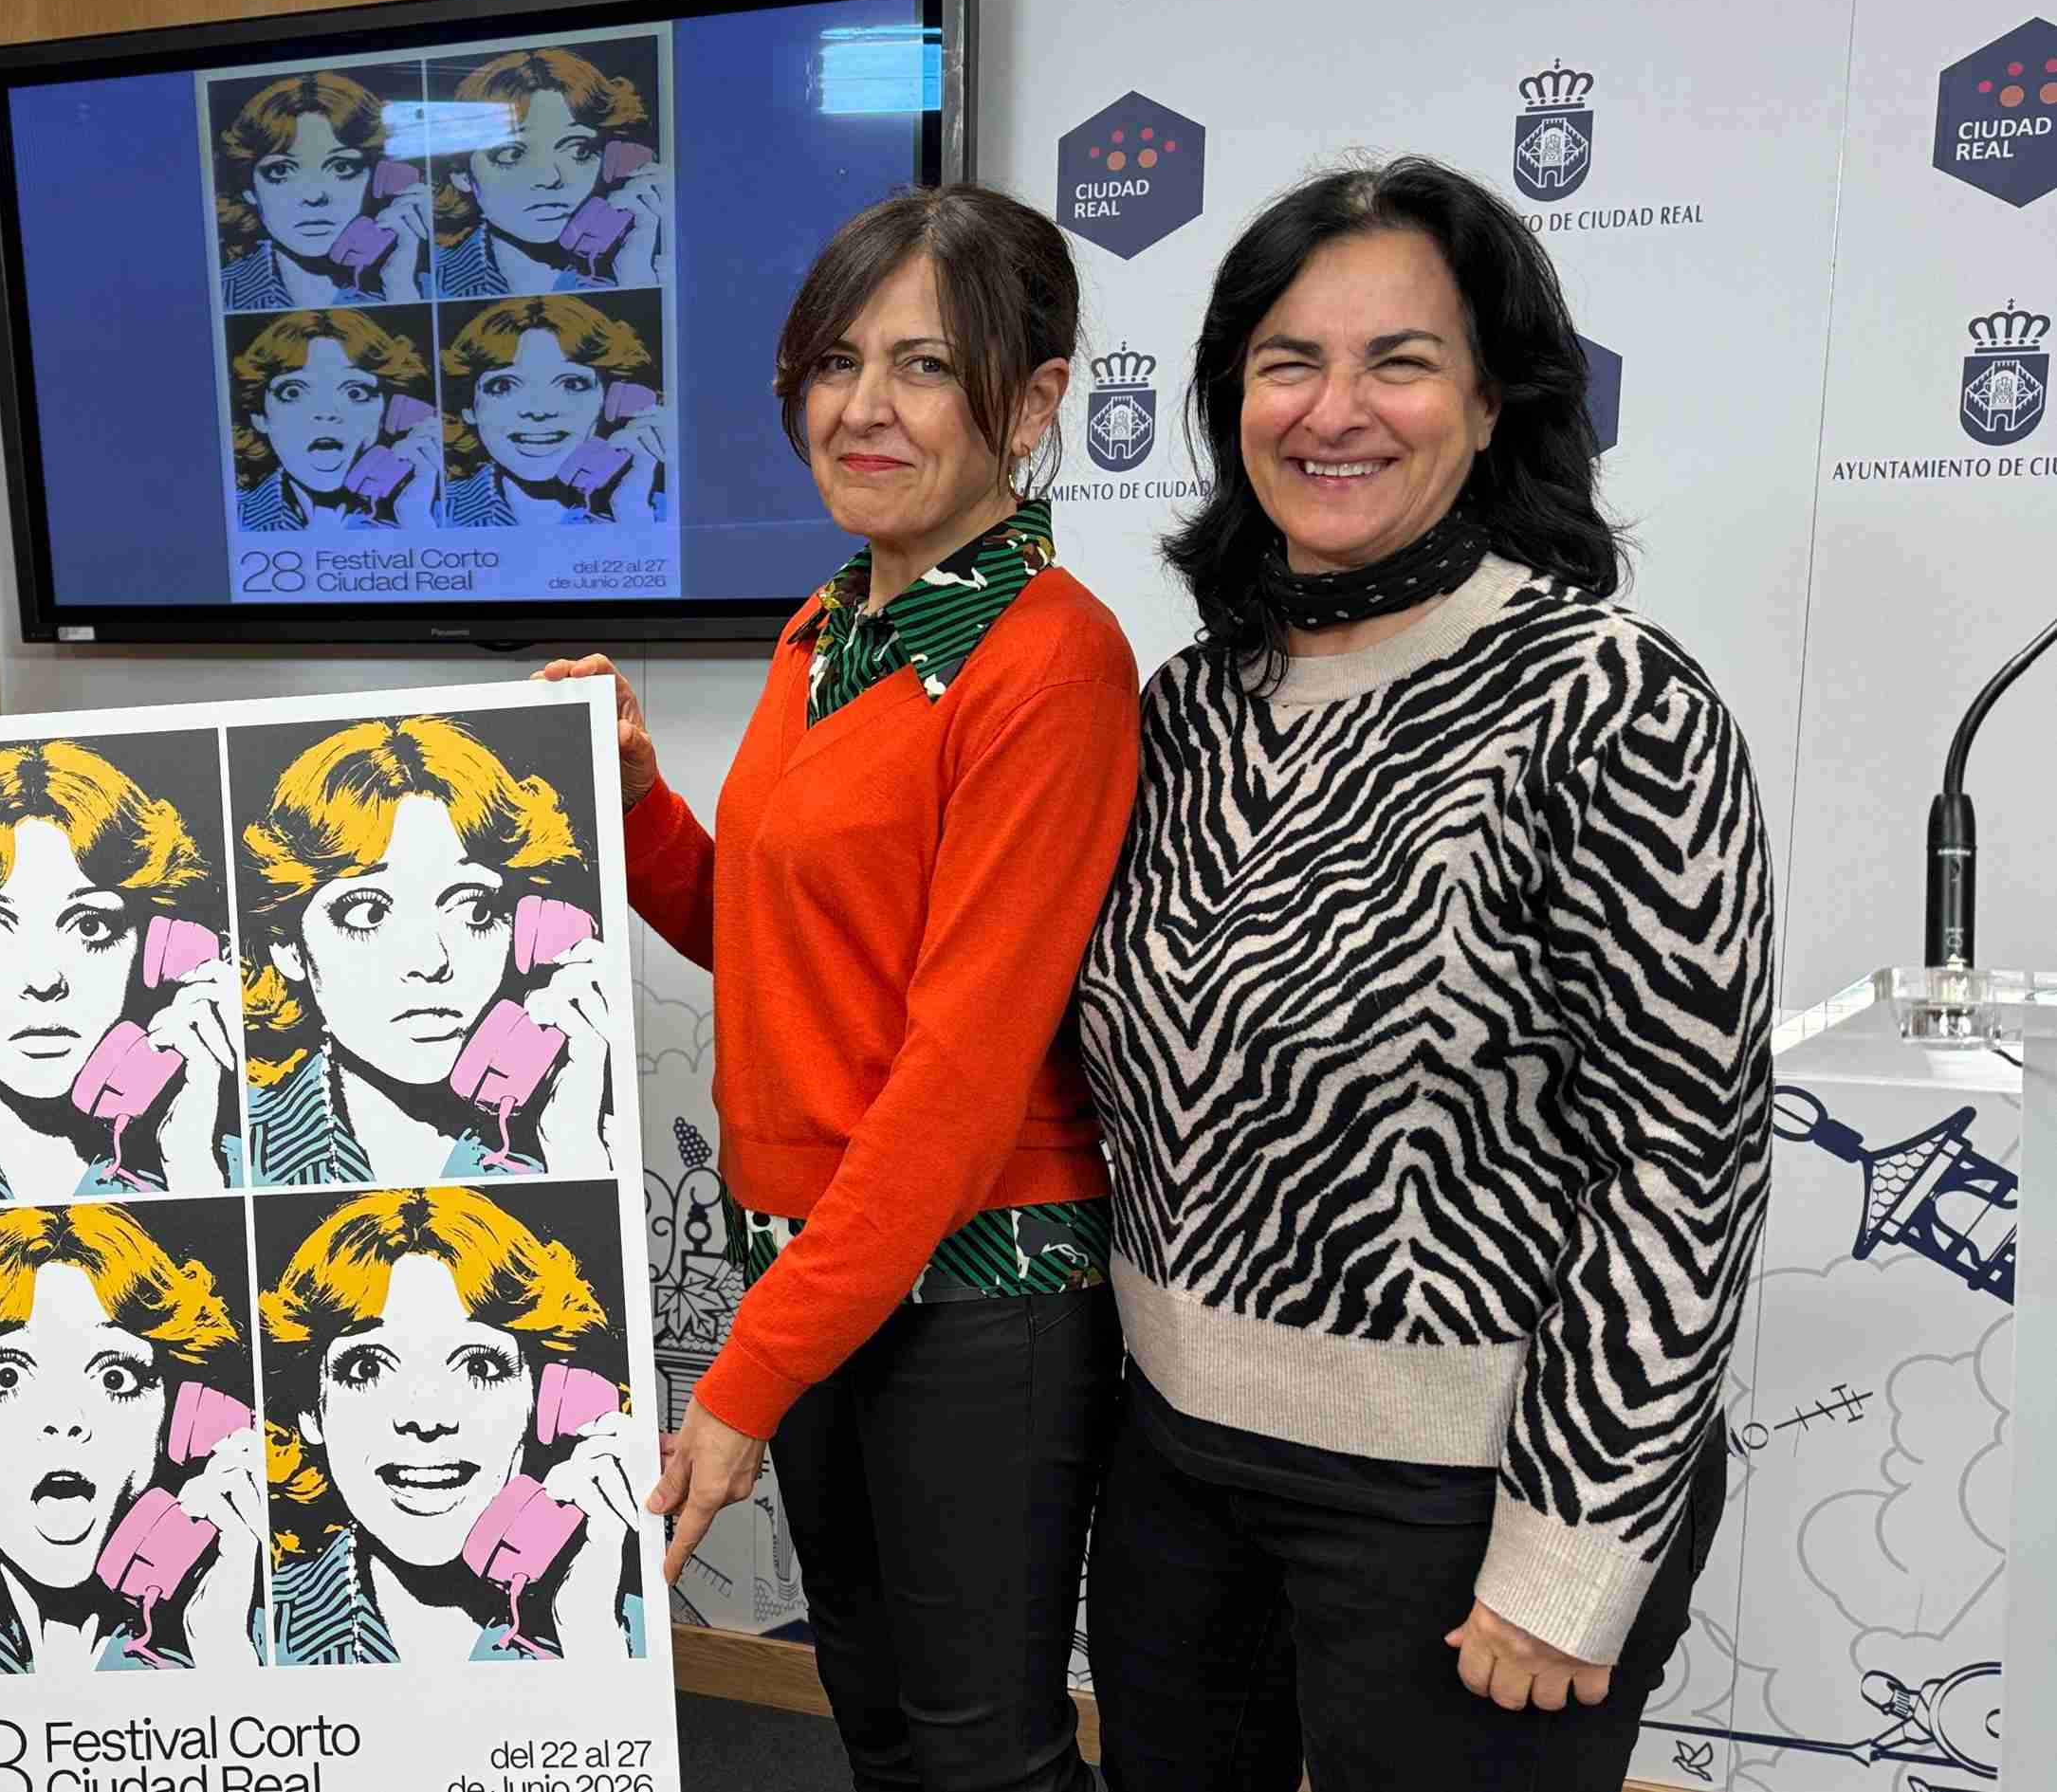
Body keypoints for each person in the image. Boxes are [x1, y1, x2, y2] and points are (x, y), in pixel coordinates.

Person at [1073, 155, 1772, 1791]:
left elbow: (1682, 1161)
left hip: (1464, 1503)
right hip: (1176, 1473)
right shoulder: (1183, 708)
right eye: (1287, 363)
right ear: (1229, 401)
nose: (1334, 410)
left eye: (1398, 361)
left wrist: (1569, 1553)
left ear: (1490, 402)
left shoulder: (1607, 701)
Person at [540, 183, 1133, 1792]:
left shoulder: (1047, 658)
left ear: (1031, 403)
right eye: (833, 362)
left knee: (981, 1753)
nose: (862, 407)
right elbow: (771, 939)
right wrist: (636, 802)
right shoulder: (829, 628)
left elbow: (957, 1077)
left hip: (977, 1290)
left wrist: (742, 1381)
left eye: (925, 366)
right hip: (824, 1270)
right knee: (876, 1721)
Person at [258, 1185, 649, 1664]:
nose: (426, 1419)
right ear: (311, 1412)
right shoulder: (237, 1635)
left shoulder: (629, 1633)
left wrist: (592, 1638)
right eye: (368, 1367)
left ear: (544, 1401)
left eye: (479, 1366)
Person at [237, 715, 620, 1186]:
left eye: (474, 909)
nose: (431, 962)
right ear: (288, 948)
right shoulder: (227, 1152)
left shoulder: (587, 1141)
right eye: (368, 914)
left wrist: (576, 1154)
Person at [0, 1204, 268, 1674]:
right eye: (7, 1376)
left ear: (174, 1420)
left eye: (115, 1378)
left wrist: (224, 1651)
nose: (65, 1420)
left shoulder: (263, 1634)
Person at [0, 741, 241, 1203]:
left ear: (150, 951)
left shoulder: (231, 1156)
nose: (44, 982)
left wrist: (191, 1167)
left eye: (90, 927)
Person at [433, 47, 669, 297]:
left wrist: (635, 279)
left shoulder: (651, 268)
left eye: (579, 150)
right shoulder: (424, 281)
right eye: (512, 154)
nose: (550, 179)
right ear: (461, 173)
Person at [440, 296, 670, 527]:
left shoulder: (664, 508)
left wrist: (633, 514)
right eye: (504, 386)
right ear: (468, 407)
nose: (539, 411)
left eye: (571, 384)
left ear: (611, 399)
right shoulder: (431, 509)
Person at [214, 71, 430, 310]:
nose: (314, 197)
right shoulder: (218, 294)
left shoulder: (424, 286)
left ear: (380, 176)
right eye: (280, 170)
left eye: (341, 167)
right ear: (249, 188)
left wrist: (400, 289)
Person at [228, 308, 443, 531]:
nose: (326, 412)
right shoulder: (231, 517)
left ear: (388, 411)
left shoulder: (438, 514)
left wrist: (416, 519)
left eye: (355, 393)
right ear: (259, 416)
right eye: (293, 392)